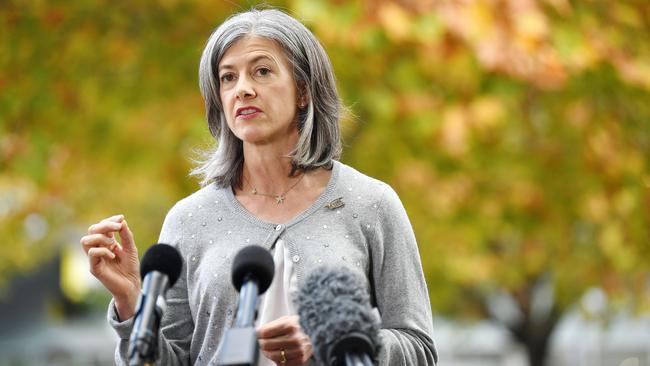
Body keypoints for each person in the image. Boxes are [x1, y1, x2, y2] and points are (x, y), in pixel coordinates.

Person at [80, 8, 437, 366]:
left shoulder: (371, 203)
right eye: (228, 78)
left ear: (303, 90)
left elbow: (419, 350)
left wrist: (332, 338)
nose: (243, 90)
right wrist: (131, 303)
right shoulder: (189, 220)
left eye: (262, 72)